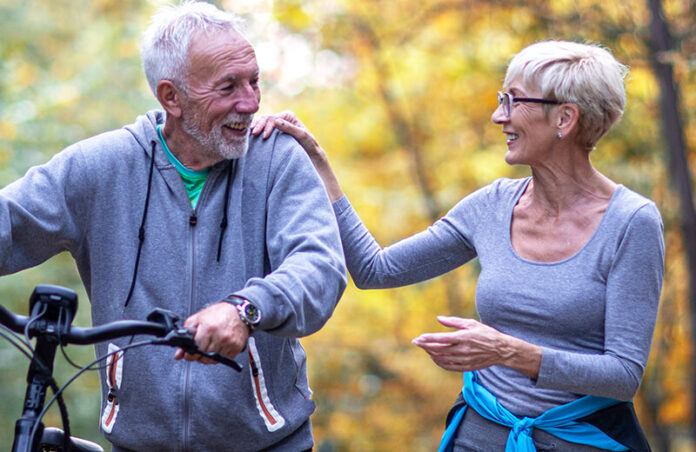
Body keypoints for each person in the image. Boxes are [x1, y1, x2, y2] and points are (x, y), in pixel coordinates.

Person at [252, 40, 664, 451]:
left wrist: (507, 350)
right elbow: (375, 270)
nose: (497, 115)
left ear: (565, 117)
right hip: (477, 436)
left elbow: (623, 375)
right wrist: (317, 162)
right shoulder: (492, 205)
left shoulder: (631, 223)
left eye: (513, 100)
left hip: (583, 440)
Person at [0, 1, 347, 451]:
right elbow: (11, 219)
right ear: (171, 97)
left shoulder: (277, 160)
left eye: (254, 81)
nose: (251, 102)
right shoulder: (103, 166)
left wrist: (246, 308)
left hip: (269, 444)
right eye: (228, 87)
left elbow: (320, 265)